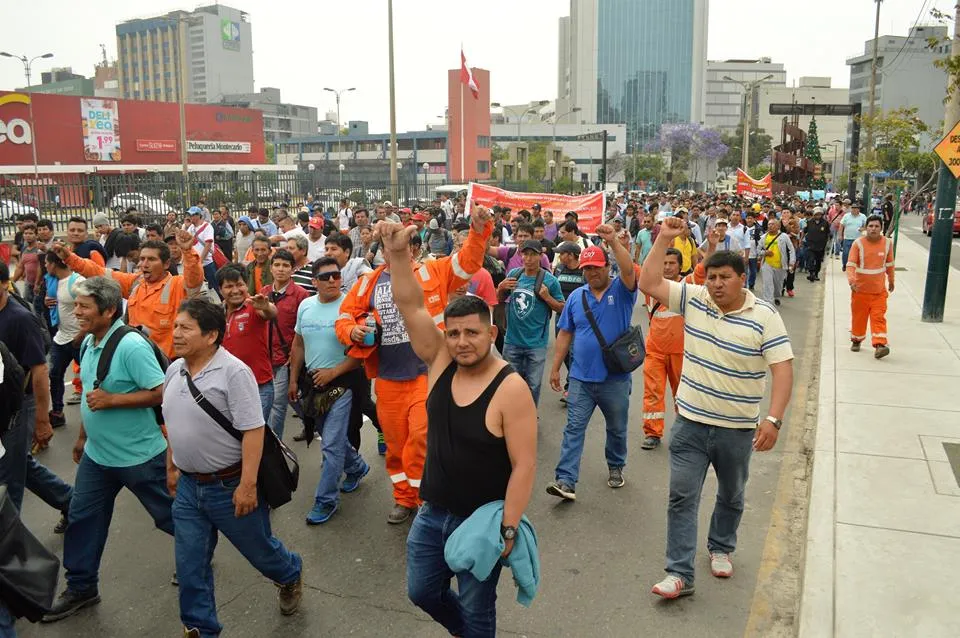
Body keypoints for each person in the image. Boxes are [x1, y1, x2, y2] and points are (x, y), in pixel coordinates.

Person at [374, 219, 536, 638]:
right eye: (455, 333)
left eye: (473, 333)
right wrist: (396, 253)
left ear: (492, 333)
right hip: (431, 514)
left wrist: (509, 528)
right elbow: (410, 305)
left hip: (481, 521)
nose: (463, 341)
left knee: (477, 607)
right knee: (421, 592)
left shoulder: (511, 388)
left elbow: (524, 465)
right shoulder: (441, 361)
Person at [642, 216, 794, 598]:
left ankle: (721, 546)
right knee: (681, 495)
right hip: (690, 425)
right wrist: (663, 237)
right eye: (711, 278)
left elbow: (783, 370)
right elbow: (648, 282)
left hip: (737, 430)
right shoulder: (695, 300)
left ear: (742, 277)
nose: (716, 285)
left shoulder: (764, 318)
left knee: (731, 493)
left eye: (724, 277)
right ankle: (679, 573)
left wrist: (773, 419)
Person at [335, 207, 493, 524]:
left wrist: (479, 228)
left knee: (421, 439)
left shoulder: (433, 272)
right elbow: (344, 317)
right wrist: (353, 331)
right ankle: (404, 498)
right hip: (389, 379)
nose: (395, 251)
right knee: (395, 446)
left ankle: (427, 500)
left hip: (429, 375)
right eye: (388, 245)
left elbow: (468, 263)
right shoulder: (368, 283)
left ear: (415, 249)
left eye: (404, 245)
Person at [163, 299, 303, 637]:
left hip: (228, 486)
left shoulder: (234, 372)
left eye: (185, 328)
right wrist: (171, 466)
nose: (176, 334)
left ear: (211, 336)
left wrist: (248, 485)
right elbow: (172, 422)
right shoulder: (174, 369)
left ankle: (289, 573)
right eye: (176, 326)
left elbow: (253, 430)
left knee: (261, 553)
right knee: (190, 566)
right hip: (187, 489)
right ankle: (200, 629)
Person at [43, 276, 174, 622]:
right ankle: (82, 586)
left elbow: (162, 392)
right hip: (98, 456)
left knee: (172, 516)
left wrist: (115, 400)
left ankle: (198, 551)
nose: (78, 312)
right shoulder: (89, 342)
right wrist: (83, 436)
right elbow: (91, 392)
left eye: (85, 306)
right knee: (82, 517)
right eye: (77, 305)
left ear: (110, 309)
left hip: (140, 457)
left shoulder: (131, 346)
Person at [545, 225, 638, 500]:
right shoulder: (576, 297)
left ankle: (616, 466)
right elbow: (565, 333)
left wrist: (613, 242)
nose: (592, 273)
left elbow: (629, 269)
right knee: (573, 428)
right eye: (587, 268)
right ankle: (565, 480)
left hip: (615, 379)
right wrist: (554, 367)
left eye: (596, 267)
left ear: (606, 266)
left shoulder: (622, 290)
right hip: (581, 378)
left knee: (617, 428)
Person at [288, 258, 369, 524]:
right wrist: (293, 379)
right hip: (313, 385)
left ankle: (326, 501)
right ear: (314, 282)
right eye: (326, 277)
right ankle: (357, 467)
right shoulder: (306, 306)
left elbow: (360, 355)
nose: (333, 280)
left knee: (331, 445)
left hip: (343, 384)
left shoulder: (351, 308)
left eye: (336, 275)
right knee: (329, 436)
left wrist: (333, 373)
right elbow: (298, 345)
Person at [53, 231, 204, 358]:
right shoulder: (135, 283)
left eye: (151, 259)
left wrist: (188, 251)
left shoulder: (177, 285)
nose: (144, 264)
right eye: (142, 259)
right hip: (133, 359)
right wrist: (69, 258)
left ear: (166, 264)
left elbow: (194, 279)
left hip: (165, 363)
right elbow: (98, 271)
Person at [497, 240, 565, 407]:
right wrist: (500, 288)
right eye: (525, 254)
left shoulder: (550, 281)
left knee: (533, 385)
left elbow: (562, 309)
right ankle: (512, 416)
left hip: (536, 343)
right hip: (512, 341)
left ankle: (529, 416)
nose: (528, 258)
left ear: (540, 256)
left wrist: (548, 297)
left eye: (533, 254)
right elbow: (499, 300)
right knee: (510, 384)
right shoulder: (514, 274)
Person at [217, 265, 278, 422]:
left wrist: (266, 307)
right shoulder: (216, 314)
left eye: (240, 284)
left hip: (259, 386)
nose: (236, 290)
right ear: (220, 289)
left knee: (257, 435)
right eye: (229, 286)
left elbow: (270, 312)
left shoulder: (254, 305)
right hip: (227, 387)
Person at [261, 250, 311, 440]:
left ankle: (274, 448)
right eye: (277, 265)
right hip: (265, 358)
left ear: (293, 269)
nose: (281, 269)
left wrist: (296, 357)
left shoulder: (301, 295)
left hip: (287, 359)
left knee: (277, 404)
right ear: (271, 268)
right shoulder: (264, 292)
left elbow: (304, 331)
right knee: (286, 399)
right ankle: (310, 420)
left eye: (285, 266)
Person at [44, 251, 85, 429]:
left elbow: (91, 309)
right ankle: (57, 413)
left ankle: (96, 415)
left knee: (91, 378)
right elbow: (54, 302)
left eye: (46, 263)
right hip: (61, 338)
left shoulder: (77, 282)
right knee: (54, 375)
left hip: (79, 339)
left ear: (53, 264)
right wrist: (47, 301)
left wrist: (82, 335)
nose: (45, 266)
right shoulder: (52, 282)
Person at [846, 215, 894, 359]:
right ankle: (856, 340)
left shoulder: (887, 244)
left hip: (879, 291)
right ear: (866, 228)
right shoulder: (858, 244)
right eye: (871, 226)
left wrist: (891, 280)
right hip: (860, 291)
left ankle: (880, 345)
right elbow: (851, 264)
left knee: (878, 317)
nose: (873, 229)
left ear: (881, 228)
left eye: (876, 226)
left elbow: (890, 264)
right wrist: (852, 280)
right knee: (859, 318)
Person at [552, 242, 584, 403]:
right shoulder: (558, 269)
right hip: (561, 317)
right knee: (562, 351)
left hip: (579, 319)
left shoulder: (584, 270)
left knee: (573, 352)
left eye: (562, 253)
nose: (559, 256)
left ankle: (571, 387)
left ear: (571, 255)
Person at [758, 219, 794, 308]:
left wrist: (791, 262)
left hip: (780, 265)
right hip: (767, 264)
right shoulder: (763, 237)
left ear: (778, 226)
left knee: (778, 286)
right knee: (767, 284)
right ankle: (768, 303)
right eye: (769, 224)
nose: (770, 226)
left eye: (773, 224)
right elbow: (758, 250)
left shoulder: (784, 236)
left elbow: (791, 250)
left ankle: (776, 296)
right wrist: (765, 253)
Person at [184, 206, 218, 295]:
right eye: (189, 215)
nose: (190, 217)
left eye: (192, 215)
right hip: (195, 264)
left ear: (198, 215)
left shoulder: (207, 226)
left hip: (206, 263)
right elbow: (187, 241)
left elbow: (208, 244)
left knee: (214, 287)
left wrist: (201, 260)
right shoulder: (191, 227)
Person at [803, 207, 830, 282]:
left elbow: (828, 233)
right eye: (816, 214)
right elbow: (805, 231)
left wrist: (827, 244)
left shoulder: (825, 223)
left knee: (818, 260)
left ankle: (816, 274)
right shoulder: (809, 222)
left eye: (819, 214)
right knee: (811, 259)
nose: (818, 216)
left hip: (821, 245)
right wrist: (801, 241)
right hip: (811, 244)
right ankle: (811, 273)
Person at [839, 203, 866, 269]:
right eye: (852, 208)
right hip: (847, 238)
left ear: (858, 209)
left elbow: (867, 225)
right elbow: (841, 225)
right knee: (846, 253)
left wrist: (862, 228)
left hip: (858, 239)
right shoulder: (846, 216)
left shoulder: (863, 216)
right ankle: (845, 264)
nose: (854, 210)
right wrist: (840, 235)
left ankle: (855, 265)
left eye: (855, 208)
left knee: (857, 253)